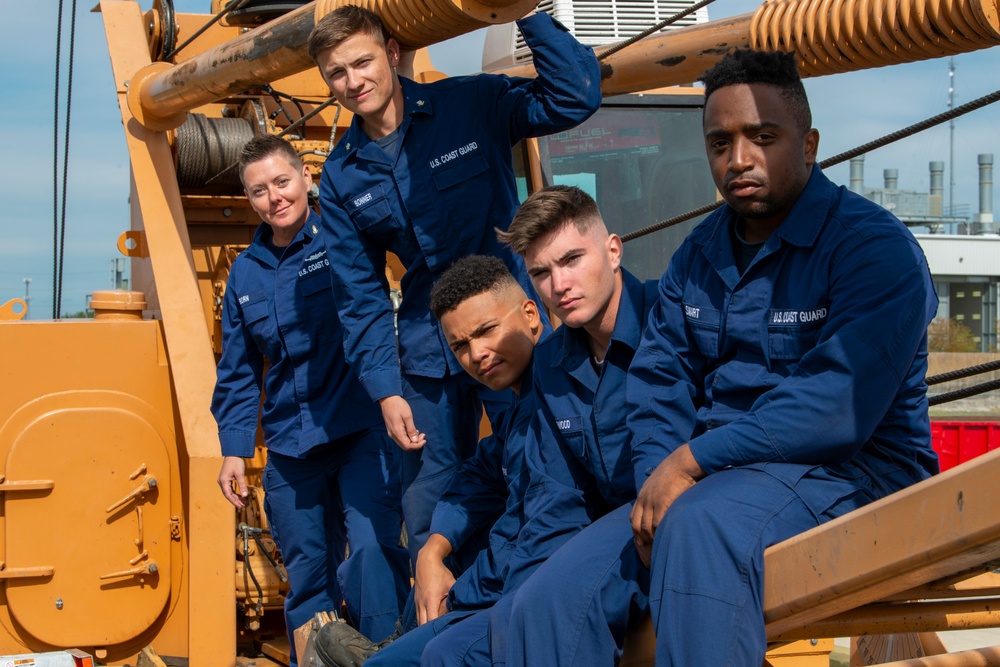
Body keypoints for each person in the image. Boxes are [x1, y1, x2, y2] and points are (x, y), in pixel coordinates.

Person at [505, 49, 940, 666]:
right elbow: (660, 379)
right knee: (548, 599)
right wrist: (660, 477)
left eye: (763, 137)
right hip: (720, 480)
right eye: (719, 142)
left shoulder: (873, 250)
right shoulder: (698, 256)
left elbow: (834, 405)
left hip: (854, 474)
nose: (738, 159)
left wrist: (689, 463)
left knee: (699, 529)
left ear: (808, 143)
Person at [306, 6, 602, 565]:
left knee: (544, 469)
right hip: (426, 355)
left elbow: (575, 97)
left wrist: (528, 13)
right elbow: (359, 292)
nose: (353, 82)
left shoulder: (468, 105)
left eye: (362, 62)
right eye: (336, 74)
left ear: (392, 53)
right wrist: (386, 389)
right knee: (429, 507)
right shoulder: (343, 174)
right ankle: (439, 629)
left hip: (509, 334)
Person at [210, 135, 410, 665]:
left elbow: (373, 316)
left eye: (282, 182)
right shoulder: (245, 273)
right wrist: (234, 449)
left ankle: (386, 657)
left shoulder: (342, 239)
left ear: (304, 179)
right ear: (249, 199)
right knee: (307, 582)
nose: (274, 197)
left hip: (358, 428)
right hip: (291, 450)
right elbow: (237, 370)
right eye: (259, 190)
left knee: (371, 555)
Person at [316, 255, 544, 667]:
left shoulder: (554, 400)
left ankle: (401, 646)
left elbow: (533, 532)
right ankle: (404, 639)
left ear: (531, 313)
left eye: (487, 331)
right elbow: (480, 476)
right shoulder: (519, 408)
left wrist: (454, 594)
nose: (478, 354)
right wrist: (431, 552)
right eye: (460, 346)